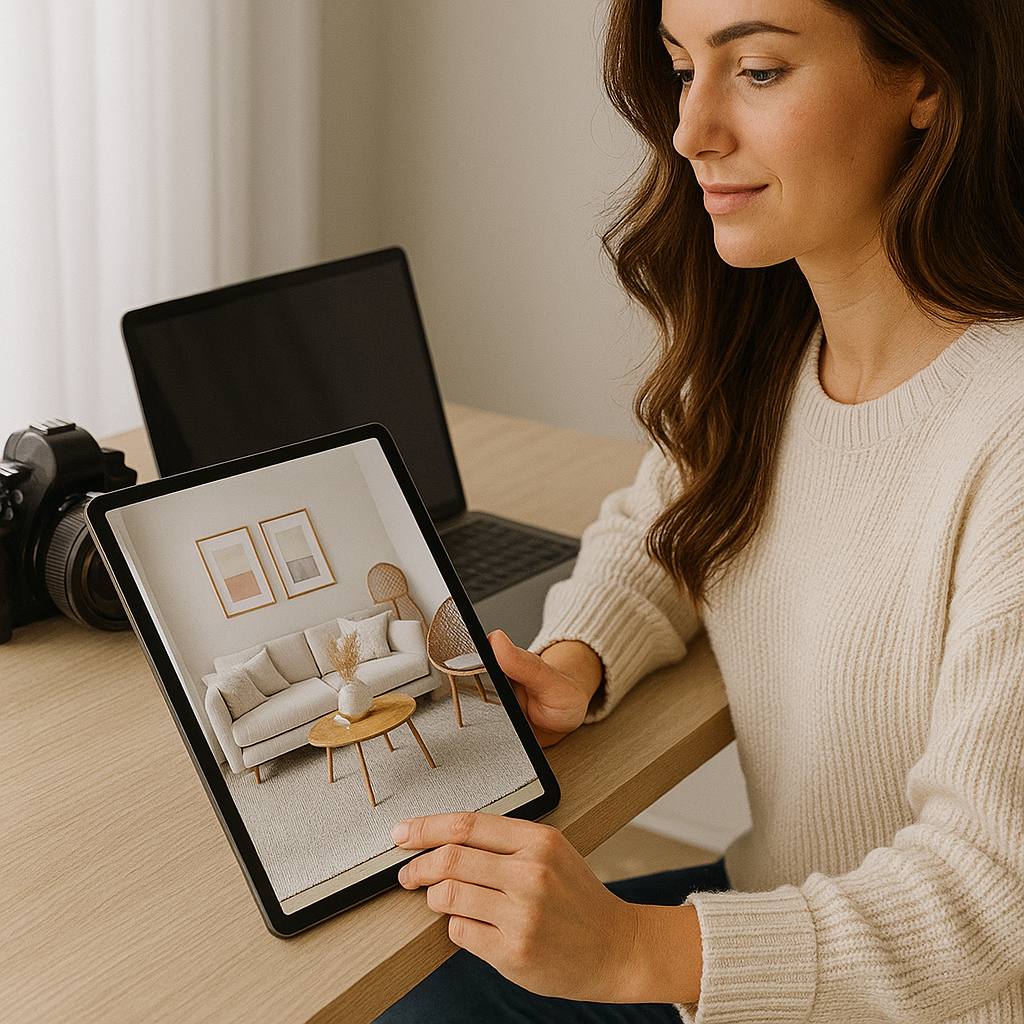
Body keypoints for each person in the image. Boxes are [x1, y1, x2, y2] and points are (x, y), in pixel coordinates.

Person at [376, 0, 1024, 1019]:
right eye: (682, 69)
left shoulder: (1006, 431)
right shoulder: (777, 346)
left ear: (926, 81)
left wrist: (635, 951)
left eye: (757, 70)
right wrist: (576, 658)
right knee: (416, 981)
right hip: (783, 921)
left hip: (939, 997)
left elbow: (987, 899)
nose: (690, 129)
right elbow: (663, 525)